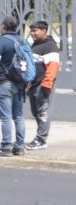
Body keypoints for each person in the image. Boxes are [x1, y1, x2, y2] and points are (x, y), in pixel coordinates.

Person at [0, 16, 27, 155]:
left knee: (6, 117)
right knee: (19, 116)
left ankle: (6, 147)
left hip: (4, 82)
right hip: (20, 83)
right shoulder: (22, 41)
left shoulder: (0, 42)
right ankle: (19, 147)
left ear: (3, 27)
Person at [27, 21, 60, 151]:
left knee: (43, 113)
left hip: (43, 85)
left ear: (44, 31)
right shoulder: (35, 45)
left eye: (36, 31)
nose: (33, 33)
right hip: (33, 86)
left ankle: (41, 139)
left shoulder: (50, 46)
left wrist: (47, 84)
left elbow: (53, 66)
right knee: (36, 113)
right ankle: (40, 137)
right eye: (32, 31)